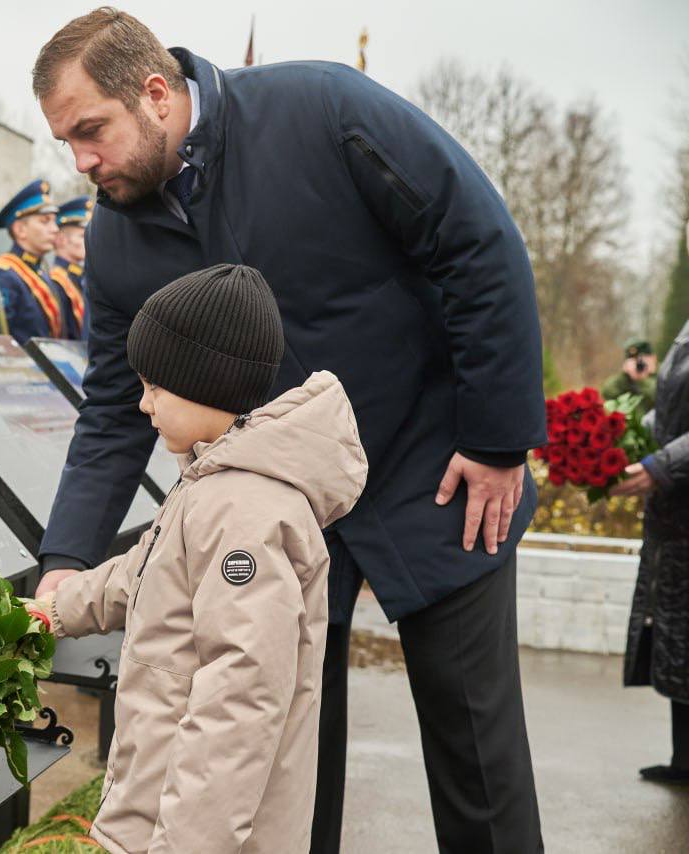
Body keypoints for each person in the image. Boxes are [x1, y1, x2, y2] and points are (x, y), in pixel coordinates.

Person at [32, 9, 546, 852]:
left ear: (156, 94)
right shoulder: (115, 237)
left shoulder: (324, 110)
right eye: (66, 142)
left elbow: (475, 243)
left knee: (476, 755)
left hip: (438, 471)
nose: (82, 162)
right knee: (283, 763)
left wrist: (496, 441)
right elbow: (115, 407)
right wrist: (65, 564)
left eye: (92, 131)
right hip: (274, 516)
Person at [34, 264, 367, 853]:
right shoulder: (214, 482)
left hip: (195, 832)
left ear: (202, 380)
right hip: (158, 803)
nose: (142, 405)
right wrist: (56, 609)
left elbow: (241, 698)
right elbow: (143, 572)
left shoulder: (244, 509)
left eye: (154, 387)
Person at [614, 312, 689, 784]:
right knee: (678, 640)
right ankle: (684, 760)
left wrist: (663, 464)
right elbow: (671, 409)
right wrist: (626, 435)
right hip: (675, 516)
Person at [0, 179, 63, 344]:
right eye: (45, 221)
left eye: (54, 221)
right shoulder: (3, 275)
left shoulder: (41, 275)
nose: (55, 229)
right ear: (20, 229)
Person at [50, 195, 93, 341]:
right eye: (82, 236)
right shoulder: (56, 280)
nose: (88, 241)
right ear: (61, 240)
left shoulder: (80, 278)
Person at [600, 336, 658, 420]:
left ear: (653, 358)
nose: (639, 364)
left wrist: (642, 380)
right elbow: (606, 392)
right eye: (634, 361)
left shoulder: (663, 374)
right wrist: (625, 374)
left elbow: (658, 397)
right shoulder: (624, 380)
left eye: (641, 359)